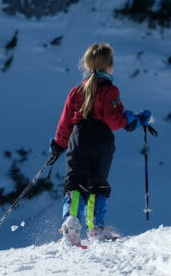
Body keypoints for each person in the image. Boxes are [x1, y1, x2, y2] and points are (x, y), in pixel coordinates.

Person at [49, 43, 150, 244]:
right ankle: (94, 228)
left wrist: (59, 144)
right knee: (97, 184)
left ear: (86, 65)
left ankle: (71, 222)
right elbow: (115, 120)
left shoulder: (76, 91)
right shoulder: (110, 91)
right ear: (110, 66)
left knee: (75, 181)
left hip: (79, 138)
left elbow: (65, 123)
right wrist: (135, 120)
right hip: (102, 141)